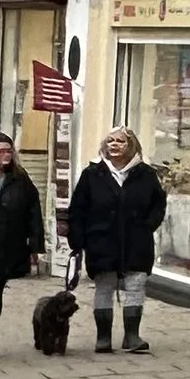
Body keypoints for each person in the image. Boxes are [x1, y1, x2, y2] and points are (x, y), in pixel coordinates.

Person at [62, 126, 167, 355]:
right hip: (102, 239)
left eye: (120, 140)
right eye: (110, 140)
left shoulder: (145, 173)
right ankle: (103, 337)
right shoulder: (93, 174)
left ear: (131, 146)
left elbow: (158, 204)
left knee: (136, 283)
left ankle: (132, 336)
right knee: (104, 285)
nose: (115, 145)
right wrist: (77, 239)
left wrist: (147, 225)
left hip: (136, 239)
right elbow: (79, 208)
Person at [0, 133, 46, 365]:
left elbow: (33, 212)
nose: (6, 155)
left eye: (9, 151)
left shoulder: (19, 180)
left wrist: (35, 245)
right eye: (0, 150)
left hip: (6, 248)